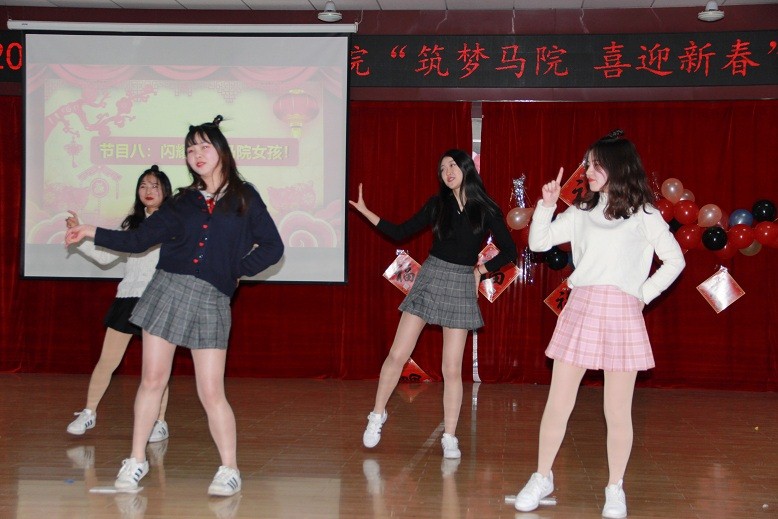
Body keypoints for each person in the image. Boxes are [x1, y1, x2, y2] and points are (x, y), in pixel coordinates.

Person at [65, 115, 284, 497]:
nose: (196, 154)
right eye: (190, 149)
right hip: (166, 290)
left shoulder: (245, 198)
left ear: (221, 151)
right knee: (152, 379)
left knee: (211, 391)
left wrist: (235, 270)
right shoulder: (182, 202)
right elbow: (138, 240)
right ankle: (136, 459)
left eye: (203, 146)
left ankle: (229, 469)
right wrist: (90, 232)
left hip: (212, 299)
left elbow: (272, 247)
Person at [514, 130, 685, 518]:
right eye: (587, 164)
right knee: (559, 402)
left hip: (622, 312)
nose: (587, 171)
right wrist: (546, 206)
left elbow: (675, 260)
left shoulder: (645, 215)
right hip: (582, 307)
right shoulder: (581, 212)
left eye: (595, 164)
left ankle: (614, 487)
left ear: (617, 167)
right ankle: (542, 476)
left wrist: (643, 294)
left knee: (617, 411)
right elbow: (539, 243)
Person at [349, 149, 517, 459]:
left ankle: (450, 436)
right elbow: (400, 231)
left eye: (452, 165)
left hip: (461, 282)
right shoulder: (437, 205)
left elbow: (510, 251)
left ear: (466, 168)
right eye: (442, 169)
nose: (447, 171)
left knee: (451, 368)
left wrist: (479, 271)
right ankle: (377, 414)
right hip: (431, 276)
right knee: (398, 353)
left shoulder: (485, 208)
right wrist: (366, 212)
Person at [65, 166, 173, 444]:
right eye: (143, 186)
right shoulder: (132, 223)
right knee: (107, 360)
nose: (148, 191)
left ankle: (159, 422)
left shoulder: (173, 222)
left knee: (155, 370)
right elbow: (105, 258)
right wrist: (81, 234)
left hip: (159, 298)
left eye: (155, 186)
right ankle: (89, 411)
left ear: (165, 191)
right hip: (127, 297)